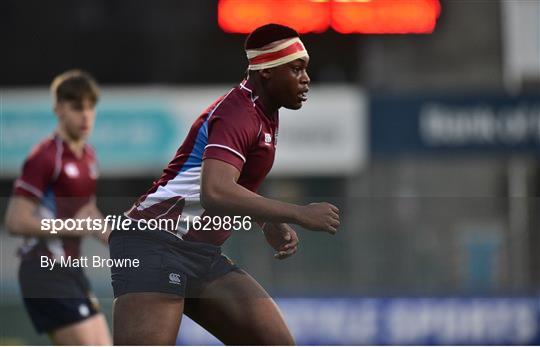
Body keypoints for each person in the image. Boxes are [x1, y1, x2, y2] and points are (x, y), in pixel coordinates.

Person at [110, 23, 340, 345]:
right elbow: (215, 192)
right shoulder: (238, 113)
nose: (306, 78)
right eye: (296, 69)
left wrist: (267, 219)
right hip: (154, 243)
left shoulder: (264, 112)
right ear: (267, 72)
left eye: (306, 69)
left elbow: (233, 184)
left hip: (200, 252)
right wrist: (298, 213)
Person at [5, 70, 112, 345]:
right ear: (59, 109)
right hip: (44, 270)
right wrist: (74, 227)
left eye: (90, 108)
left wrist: (123, 240)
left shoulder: (89, 156)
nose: (86, 116)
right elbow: (16, 221)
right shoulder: (45, 157)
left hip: (71, 270)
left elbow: (88, 213)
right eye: (77, 108)